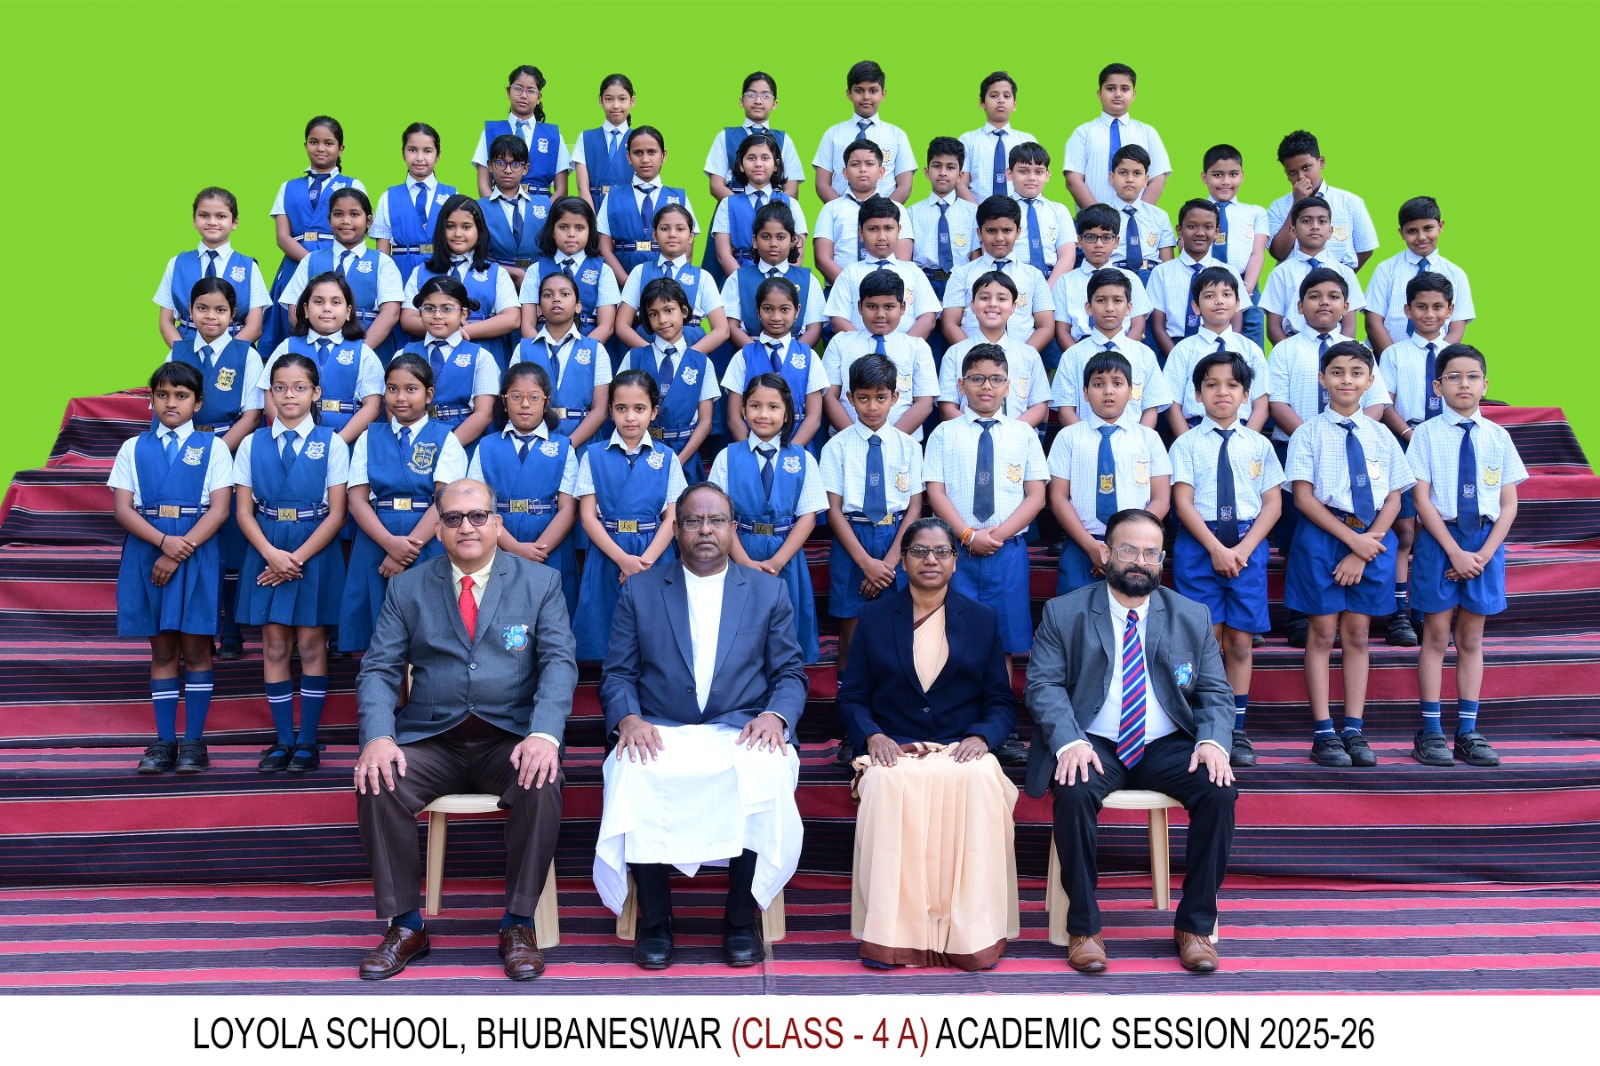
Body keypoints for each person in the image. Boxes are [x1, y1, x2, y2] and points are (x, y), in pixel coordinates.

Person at [352, 477, 576, 982]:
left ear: (497, 523)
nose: (466, 527)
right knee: (376, 778)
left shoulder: (540, 583)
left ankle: (519, 923)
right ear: (438, 530)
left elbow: (559, 663)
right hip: (434, 741)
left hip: (508, 740)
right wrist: (379, 737)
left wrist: (544, 734)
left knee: (543, 778)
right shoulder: (407, 587)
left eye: (477, 516)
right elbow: (379, 670)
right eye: (452, 518)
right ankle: (406, 926)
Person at [596, 482, 809, 969]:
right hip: (661, 726)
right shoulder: (642, 589)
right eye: (694, 521)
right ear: (676, 530)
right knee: (634, 769)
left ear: (734, 529)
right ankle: (656, 922)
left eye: (716, 521)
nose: (705, 530)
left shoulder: (767, 590)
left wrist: (775, 716)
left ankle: (740, 920)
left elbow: (790, 673)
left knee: (764, 769)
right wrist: (629, 718)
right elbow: (618, 674)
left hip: (741, 727)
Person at [1025, 508, 1237, 974]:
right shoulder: (1065, 612)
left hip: (1166, 743)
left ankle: (1195, 926)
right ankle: (1084, 927)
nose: (1140, 561)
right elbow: (1043, 685)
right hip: (1094, 740)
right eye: (1128, 550)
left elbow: (1216, 692)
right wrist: (1069, 742)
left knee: (1218, 789)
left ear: (1161, 559)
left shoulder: (1191, 615)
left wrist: (1212, 742)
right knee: (1074, 787)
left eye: (1150, 552)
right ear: (1105, 554)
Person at [837, 517, 1018, 970]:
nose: (930, 560)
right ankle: (893, 937)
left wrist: (982, 736)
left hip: (960, 747)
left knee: (978, 782)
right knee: (886, 785)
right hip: (895, 747)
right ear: (903, 561)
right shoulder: (876, 617)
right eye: (919, 551)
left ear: (955, 562)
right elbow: (852, 697)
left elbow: (1001, 702)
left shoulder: (981, 619)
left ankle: (971, 935)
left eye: (941, 552)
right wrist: (872, 735)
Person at [1284, 341, 1416, 768]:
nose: (1346, 380)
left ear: (1370, 381)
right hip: (1322, 537)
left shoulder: (1381, 434)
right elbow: (1303, 497)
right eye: (1337, 372)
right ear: (1322, 379)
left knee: (1358, 634)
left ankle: (1354, 729)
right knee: (1322, 633)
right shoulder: (1307, 433)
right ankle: (1324, 732)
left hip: (1372, 538)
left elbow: (1394, 497)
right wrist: (1350, 541)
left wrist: (1364, 546)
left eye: (1357, 373)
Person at [1408, 345, 1527, 768]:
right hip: (1441, 540)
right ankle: (1431, 731)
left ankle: (1468, 731)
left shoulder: (1499, 437)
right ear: (1438, 387)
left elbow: (1509, 504)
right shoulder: (1425, 435)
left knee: (1472, 639)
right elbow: (1421, 499)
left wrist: (1483, 554)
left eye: (1473, 376)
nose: (1464, 384)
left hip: (1485, 543)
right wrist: (1455, 551)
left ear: (1485, 385)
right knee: (1436, 635)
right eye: (1454, 377)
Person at [233, 354, 350, 774]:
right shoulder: (252, 443)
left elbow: (337, 513)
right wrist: (271, 555)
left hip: (312, 550)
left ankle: (308, 741)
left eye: (299, 387)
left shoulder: (332, 442)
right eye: (279, 387)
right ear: (269, 394)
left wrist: (294, 559)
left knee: (312, 644)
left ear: (315, 393)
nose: (288, 396)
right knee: (275, 644)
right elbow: (243, 511)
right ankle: (283, 739)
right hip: (266, 547)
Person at [115, 363, 234, 774]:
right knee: (163, 648)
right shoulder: (133, 447)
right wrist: (163, 543)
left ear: (198, 403)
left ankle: (194, 741)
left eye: (181, 396)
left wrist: (178, 550)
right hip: (149, 549)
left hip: (196, 549)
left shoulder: (214, 447)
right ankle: (165, 740)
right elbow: (122, 509)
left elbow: (219, 509)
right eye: (162, 394)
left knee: (197, 647)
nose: (171, 403)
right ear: (151, 399)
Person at [1168, 352, 1284, 768]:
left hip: (1247, 547)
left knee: (1239, 642)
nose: (1222, 392)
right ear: (1198, 395)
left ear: (1246, 395)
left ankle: (1235, 728)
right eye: (1212, 385)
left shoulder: (1259, 445)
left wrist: (1243, 549)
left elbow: (1273, 504)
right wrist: (1216, 548)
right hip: (1200, 547)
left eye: (1232, 385)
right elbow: (1182, 502)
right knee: (1204, 641)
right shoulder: (1186, 444)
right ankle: (1202, 725)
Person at [1266, 269, 1391, 648]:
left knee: (1356, 520)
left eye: (1333, 296)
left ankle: (1354, 606)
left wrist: (1345, 434)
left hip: (1356, 451)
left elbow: (1377, 403)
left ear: (1346, 306)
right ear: (1299, 305)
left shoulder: (1359, 350)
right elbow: (1277, 403)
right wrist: (1318, 437)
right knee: (1297, 534)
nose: (1324, 302)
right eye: (1315, 296)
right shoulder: (1285, 350)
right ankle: (1303, 612)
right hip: (1297, 446)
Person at [923, 342, 1048, 663]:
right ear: (961, 385)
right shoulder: (943, 434)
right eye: (976, 378)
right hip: (955, 550)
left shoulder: (1024, 434)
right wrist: (968, 535)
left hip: (1007, 551)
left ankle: (998, 698)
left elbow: (1036, 496)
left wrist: (996, 536)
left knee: (1002, 644)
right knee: (952, 641)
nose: (987, 386)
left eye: (996, 379)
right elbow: (936, 492)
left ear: (1008, 386)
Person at [338, 354, 466, 653]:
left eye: (411, 389)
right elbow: (357, 500)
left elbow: (443, 502)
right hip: (377, 539)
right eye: (392, 389)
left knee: (427, 629)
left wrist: (404, 552)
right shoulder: (369, 437)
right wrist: (389, 544)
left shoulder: (446, 438)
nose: (400, 398)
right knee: (379, 628)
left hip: (427, 541)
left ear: (428, 394)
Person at [165, 278, 265, 658]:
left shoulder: (247, 355)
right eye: (202, 308)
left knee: (232, 544)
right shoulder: (177, 352)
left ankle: (232, 631)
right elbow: (166, 410)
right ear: (190, 312)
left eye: (220, 310)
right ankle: (198, 628)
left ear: (233, 315)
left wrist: (217, 452)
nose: (211, 316)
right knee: (195, 538)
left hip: (230, 450)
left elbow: (252, 414)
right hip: (187, 454)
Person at [822, 354, 924, 681]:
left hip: (898, 538)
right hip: (853, 539)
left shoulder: (909, 447)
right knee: (851, 625)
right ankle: (849, 692)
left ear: (895, 397)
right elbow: (833, 510)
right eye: (863, 398)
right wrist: (866, 562)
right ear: (850, 398)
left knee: (899, 623)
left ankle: (895, 692)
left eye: (881, 397)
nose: (872, 407)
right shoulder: (836, 447)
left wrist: (890, 563)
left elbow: (915, 507)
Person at [572, 370, 687, 661]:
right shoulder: (593, 456)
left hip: (654, 554)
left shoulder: (667, 457)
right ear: (610, 411)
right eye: (621, 408)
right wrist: (623, 560)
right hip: (609, 551)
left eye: (639, 408)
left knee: (655, 635)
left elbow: (672, 517)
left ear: (653, 412)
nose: (630, 417)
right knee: (607, 630)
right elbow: (588, 517)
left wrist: (644, 563)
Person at [709, 374, 824, 663]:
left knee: (786, 625)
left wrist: (778, 562)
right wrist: (744, 561)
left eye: (773, 407)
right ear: (743, 409)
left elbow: (808, 517)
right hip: (739, 549)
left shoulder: (803, 459)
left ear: (787, 414)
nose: (763, 414)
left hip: (786, 553)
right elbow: (718, 516)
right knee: (740, 625)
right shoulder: (727, 457)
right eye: (755, 405)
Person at [1378, 273, 1461, 643]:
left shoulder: (1456, 356)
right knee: (1406, 531)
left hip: (1446, 449)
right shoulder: (1394, 355)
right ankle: (1399, 613)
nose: (1430, 314)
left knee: (1433, 529)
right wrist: (1411, 435)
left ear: (1450, 310)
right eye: (1421, 307)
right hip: (1406, 444)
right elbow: (1385, 404)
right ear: (1407, 310)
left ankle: (1425, 608)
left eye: (1438, 307)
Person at [1048, 352, 1171, 594]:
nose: (1108, 391)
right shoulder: (1069, 437)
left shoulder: (1148, 438)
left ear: (1131, 391)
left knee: (1130, 607)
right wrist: (1092, 547)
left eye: (1117, 383)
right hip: (1082, 543)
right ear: (1085, 393)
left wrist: (1126, 544)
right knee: (1076, 610)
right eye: (1098, 384)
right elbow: (1058, 497)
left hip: (1135, 549)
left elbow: (1161, 498)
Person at [467, 362, 581, 617]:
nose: (525, 404)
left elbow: (568, 509)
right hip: (499, 539)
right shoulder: (486, 446)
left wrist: (539, 549)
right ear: (504, 401)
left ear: (546, 402)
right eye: (516, 396)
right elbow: (477, 506)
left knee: (551, 613)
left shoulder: (563, 447)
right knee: (501, 613)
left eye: (534, 397)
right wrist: (515, 548)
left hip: (550, 542)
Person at [263, 117, 363, 357]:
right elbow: (282, 237)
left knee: (332, 316)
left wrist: (325, 265)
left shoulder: (353, 185)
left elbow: (356, 229)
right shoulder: (287, 187)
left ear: (341, 148)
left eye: (328, 143)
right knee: (293, 321)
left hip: (337, 262)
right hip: (294, 264)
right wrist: (312, 263)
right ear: (305, 144)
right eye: (314, 142)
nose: (320, 148)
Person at [616, 276, 722, 482]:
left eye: (669, 310)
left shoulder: (702, 363)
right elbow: (620, 408)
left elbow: (705, 422)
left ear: (684, 311)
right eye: (653, 314)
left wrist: (678, 461)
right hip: (639, 453)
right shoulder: (634, 358)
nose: (662, 319)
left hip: (686, 456)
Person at [398, 195, 522, 370]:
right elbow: (408, 318)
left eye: (466, 227)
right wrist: (444, 329)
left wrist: (461, 332)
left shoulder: (496, 273)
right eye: (450, 226)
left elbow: (512, 318)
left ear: (479, 230)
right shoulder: (421, 272)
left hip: (484, 354)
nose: (458, 233)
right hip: (430, 361)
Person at [279, 188, 404, 361]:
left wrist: (359, 353)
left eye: (354, 214)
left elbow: (391, 313)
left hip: (370, 353)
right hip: (317, 354)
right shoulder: (310, 260)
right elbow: (295, 310)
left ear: (368, 221)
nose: (346, 221)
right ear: (329, 220)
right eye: (338, 214)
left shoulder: (383, 262)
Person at [264, 273, 383, 446]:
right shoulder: (287, 347)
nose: (327, 308)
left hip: (347, 442)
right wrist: (289, 435)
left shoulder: (363, 353)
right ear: (306, 309)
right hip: (293, 440)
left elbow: (373, 406)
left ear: (348, 311)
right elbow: (269, 395)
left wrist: (337, 444)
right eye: (318, 302)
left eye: (336, 302)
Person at [822, 269, 937, 440]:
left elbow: (924, 403)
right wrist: (856, 438)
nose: (880, 314)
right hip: (847, 441)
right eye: (872, 306)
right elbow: (829, 396)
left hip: (902, 442)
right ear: (860, 307)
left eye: (889, 306)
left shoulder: (917, 347)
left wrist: (889, 440)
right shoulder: (840, 343)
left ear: (902, 307)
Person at [1052, 269, 1173, 428]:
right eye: (1101, 300)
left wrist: (1138, 439)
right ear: (1088, 308)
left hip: (1133, 441)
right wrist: (1088, 438)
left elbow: (1150, 410)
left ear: (1129, 308)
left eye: (1117, 300)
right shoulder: (1072, 356)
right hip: (1084, 440)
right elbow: (1066, 411)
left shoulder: (1144, 355)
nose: (1109, 308)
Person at [509, 270, 611, 449]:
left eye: (564, 294)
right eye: (548, 295)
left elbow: (600, 410)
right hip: (534, 441)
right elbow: (515, 400)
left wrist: (568, 445)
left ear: (578, 306)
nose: (556, 299)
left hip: (583, 442)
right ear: (539, 308)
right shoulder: (523, 349)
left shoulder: (596, 350)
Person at [154, 187, 268, 347]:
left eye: (221, 216)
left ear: (234, 222)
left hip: (235, 350)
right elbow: (166, 321)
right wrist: (183, 353)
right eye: (204, 215)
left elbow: (255, 326)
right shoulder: (177, 263)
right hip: (187, 347)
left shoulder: (249, 267)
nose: (212, 222)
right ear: (194, 220)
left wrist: (226, 355)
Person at [393, 277, 499, 449]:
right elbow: (393, 405)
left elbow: (484, 413)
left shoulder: (481, 357)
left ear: (463, 314)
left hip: (462, 442)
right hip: (412, 441)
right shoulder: (403, 354)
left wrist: (447, 448)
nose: (437, 315)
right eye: (429, 308)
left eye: (447, 309)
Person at [938, 196, 1054, 351]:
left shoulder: (1034, 276)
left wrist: (1021, 357)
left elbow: (1046, 326)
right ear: (979, 233)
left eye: (1007, 230)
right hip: (972, 360)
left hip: (1020, 359)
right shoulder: (962, 274)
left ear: (1018, 232)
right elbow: (950, 324)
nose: (999, 238)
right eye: (991, 231)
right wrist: (976, 357)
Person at [1162, 267, 1269, 436]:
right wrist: (1188, 442)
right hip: (1195, 431)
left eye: (1226, 294)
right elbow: (1172, 405)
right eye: (1209, 296)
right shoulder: (1183, 350)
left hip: (1241, 432)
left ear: (1238, 303)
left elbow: (1261, 405)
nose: (1219, 301)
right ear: (1196, 307)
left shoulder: (1250, 349)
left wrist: (1245, 441)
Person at [722, 277, 827, 448]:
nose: (776, 317)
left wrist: (790, 453)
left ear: (797, 311)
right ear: (758, 310)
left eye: (784, 309)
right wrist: (753, 453)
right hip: (752, 447)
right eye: (768, 309)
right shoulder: (743, 357)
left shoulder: (810, 357)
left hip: (798, 448)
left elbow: (814, 417)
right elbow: (734, 418)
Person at [612, 204, 728, 357]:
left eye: (680, 229)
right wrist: (651, 353)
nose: (672, 234)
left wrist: (688, 356)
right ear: (654, 235)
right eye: (665, 228)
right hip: (647, 346)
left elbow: (722, 329)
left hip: (691, 347)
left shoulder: (703, 277)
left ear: (691, 236)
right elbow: (622, 325)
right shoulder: (639, 272)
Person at [937, 273, 1051, 426]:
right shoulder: (955, 353)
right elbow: (947, 407)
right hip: (967, 435)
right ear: (972, 304)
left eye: (1002, 299)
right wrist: (978, 430)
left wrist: (1011, 432)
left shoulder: (1029, 355)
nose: (992, 304)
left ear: (1013, 307)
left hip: (1016, 436)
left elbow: (1039, 406)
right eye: (984, 298)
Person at [1364, 196, 1474, 354]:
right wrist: (1393, 358)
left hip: (1436, 359)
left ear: (1440, 226)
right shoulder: (1385, 270)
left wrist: (1437, 359)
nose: (1421, 237)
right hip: (1389, 357)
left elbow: (1457, 328)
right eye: (1412, 231)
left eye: (1428, 228)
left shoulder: (1456, 274)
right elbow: (1373, 322)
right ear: (1401, 233)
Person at [1144, 199, 1247, 359]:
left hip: (1218, 351)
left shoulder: (1229, 272)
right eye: (1192, 226)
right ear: (1179, 230)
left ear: (1217, 231)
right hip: (1172, 350)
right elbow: (1158, 326)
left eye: (1208, 227)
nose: (1200, 233)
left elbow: (1236, 322)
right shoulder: (1161, 272)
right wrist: (1178, 359)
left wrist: (1222, 356)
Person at [719, 202, 826, 353]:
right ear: (755, 241)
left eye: (781, 237)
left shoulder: (809, 280)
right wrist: (757, 355)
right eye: (766, 237)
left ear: (793, 241)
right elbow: (731, 326)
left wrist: (790, 357)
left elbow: (814, 329)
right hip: (749, 353)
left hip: (795, 354)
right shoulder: (738, 278)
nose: (773, 244)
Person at [1062, 63, 1171, 210]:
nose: (1118, 94)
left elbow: (1158, 178)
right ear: (1099, 94)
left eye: (1125, 89)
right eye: (1111, 88)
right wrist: (1098, 217)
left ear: (1134, 95)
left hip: (1136, 219)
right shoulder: (1083, 133)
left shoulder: (1147, 133)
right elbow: (1073, 180)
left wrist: (1140, 214)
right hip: (1093, 221)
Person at [598, 127, 699, 283]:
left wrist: (667, 287)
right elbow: (604, 248)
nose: (645, 159)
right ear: (628, 157)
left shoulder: (680, 197)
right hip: (621, 281)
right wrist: (627, 283)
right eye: (638, 153)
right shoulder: (612, 197)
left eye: (652, 152)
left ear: (663, 155)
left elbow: (687, 249)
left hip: (667, 284)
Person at [1266, 130, 1378, 270]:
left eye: (1306, 167)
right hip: (1292, 283)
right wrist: (1297, 202)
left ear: (1321, 162)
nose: (1301, 177)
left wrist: (1341, 278)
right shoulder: (1278, 206)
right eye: (1292, 172)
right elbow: (1278, 253)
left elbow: (1366, 248)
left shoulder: (1350, 202)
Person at [822, 198, 935, 337]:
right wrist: (865, 346)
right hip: (859, 349)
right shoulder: (849, 273)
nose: (881, 237)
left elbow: (927, 317)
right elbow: (838, 319)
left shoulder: (913, 272)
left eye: (888, 228)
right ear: (861, 233)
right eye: (873, 229)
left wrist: (904, 346)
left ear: (899, 230)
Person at [1261, 196, 1365, 344]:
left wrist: (1338, 353)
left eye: (1322, 221)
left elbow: (1349, 326)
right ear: (1293, 230)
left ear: (1330, 231)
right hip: (1293, 344)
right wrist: (1288, 351)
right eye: (1306, 221)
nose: (1315, 226)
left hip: (1335, 347)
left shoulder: (1345, 273)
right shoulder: (1281, 273)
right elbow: (1273, 327)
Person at [518, 196, 618, 346]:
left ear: (590, 231)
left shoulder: (603, 270)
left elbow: (606, 326)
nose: (571, 234)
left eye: (579, 228)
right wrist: (544, 352)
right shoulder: (535, 270)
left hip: (587, 346)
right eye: (563, 227)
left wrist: (579, 351)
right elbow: (527, 325)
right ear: (552, 231)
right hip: (543, 345)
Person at [710, 132, 807, 284]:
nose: (758, 164)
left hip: (781, 283)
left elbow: (798, 254)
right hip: (739, 279)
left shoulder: (791, 204)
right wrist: (745, 283)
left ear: (776, 165)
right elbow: (723, 254)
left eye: (765, 158)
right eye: (751, 158)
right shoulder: (727, 204)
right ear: (741, 165)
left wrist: (778, 286)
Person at [813, 60, 915, 203]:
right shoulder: (833, 134)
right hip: (841, 213)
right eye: (859, 90)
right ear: (849, 93)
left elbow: (905, 186)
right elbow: (822, 184)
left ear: (883, 94)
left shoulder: (897, 136)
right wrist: (843, 209)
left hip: (884, 214)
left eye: (873, 91)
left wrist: (883, 212)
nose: (866, 97)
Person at [1198, 145, 1269, 349]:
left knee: (1250, 341)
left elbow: (1257, 253)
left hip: (1246, 285)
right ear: (1204, 177)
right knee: (1208, 343)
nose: (1226, 181)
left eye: (1233, 174)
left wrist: (1246, 289)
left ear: (1242, 176)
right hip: (1206, 286)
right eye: (1217, 175)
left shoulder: (1255, 213)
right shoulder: (1196, 211)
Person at [1051, 204, 1152, 347]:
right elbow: (1062, 331)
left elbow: (1138, 327)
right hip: (1079, 348)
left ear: (1116, 241)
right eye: (1091, 237)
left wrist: (1121, 354)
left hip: (1123, 348)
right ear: (1080, 241)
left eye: (1106, 237)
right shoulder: (1065, 281)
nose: (1098, 244)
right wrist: (1077, 355)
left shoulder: (1131, 279)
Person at [813, 145, 913, 284]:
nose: (863, 169)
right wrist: (850, 286)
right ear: (845, 173)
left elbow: (903, 260)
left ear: (881, 172)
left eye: (869, 164)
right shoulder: (831, 209)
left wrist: (882, 288)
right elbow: (822, 259)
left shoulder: (898, 209)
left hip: (887, 291)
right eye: (855, 164)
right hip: (839, 288)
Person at [373, 122, 457, 287]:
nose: (419, 158)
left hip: (443, 272)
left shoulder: (452, 195)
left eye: (427, 151)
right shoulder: (388, 197)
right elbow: (382, 251)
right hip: (400, 274)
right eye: (412, 150)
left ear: (438, 155)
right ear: (403, 153)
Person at [470, 64, 570, 200]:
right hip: (500, 203)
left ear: (539, 97)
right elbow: (483, 184)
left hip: (541, 207)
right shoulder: (490, 132)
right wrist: (495, 209)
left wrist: (547, 210)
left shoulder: (554, 136)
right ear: (508, 92)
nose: (523, 95)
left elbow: (562, 189)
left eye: (531, 91)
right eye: (518, 88)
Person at [703, 71, 805, 201]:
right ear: (741, 101)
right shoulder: (725, 137)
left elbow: (792, 189)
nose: (758, 101)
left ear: (774, 104)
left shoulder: (784, 139)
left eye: (766, 96)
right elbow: (716, 185)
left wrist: (772, 211)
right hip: (733, 208)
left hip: (774, 209)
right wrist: (741, 208)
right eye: (751, 95)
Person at [908, 137, 979, 307]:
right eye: (937, 166)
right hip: (924, 282)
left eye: (950, 167)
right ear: (927, 172)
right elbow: (907, 258)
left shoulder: (972, 212)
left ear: (960, 175)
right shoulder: (911, 213)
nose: (943, 173)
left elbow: (975, 257)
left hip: (960, 283)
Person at [478, 134, 547, 287]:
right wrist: (513, 272)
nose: (508, 170)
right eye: (500, 163)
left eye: (515, 164)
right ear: (490, 165)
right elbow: (473, 255)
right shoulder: (478, 207)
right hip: (496, 281)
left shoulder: (545, 204)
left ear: (525, 168)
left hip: (539, 280)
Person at [1008, 142, 1078, 293]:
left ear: (1047, 175)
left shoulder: (1059, 211)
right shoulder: (1000, 209)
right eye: (1023, 171)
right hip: (1010, 281)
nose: (1032, 178)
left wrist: (1047, 291)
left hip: (1051, 281)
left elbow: (1067, 256)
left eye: (1039, 172)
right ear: (1009, 173)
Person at [958, 72, 1033, 203]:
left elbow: (1035, 183)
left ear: (1014, 104)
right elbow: (960, 184)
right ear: (982, 103)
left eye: (1007, 96)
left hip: (1019, 211)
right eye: (994, 95)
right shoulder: (968, 140)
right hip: (977, 211)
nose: (1001, 100)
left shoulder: (1026, 140)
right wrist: (979, 211)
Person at [572, 73, 636, 214]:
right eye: (609, 99)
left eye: (622, 99)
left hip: (629, 209)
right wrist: (592, 221)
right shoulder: (585, 138)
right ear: (600, 101)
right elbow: (583, 188)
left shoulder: (639, 139)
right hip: (593, 207)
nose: (615, 105)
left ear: (632, 101)